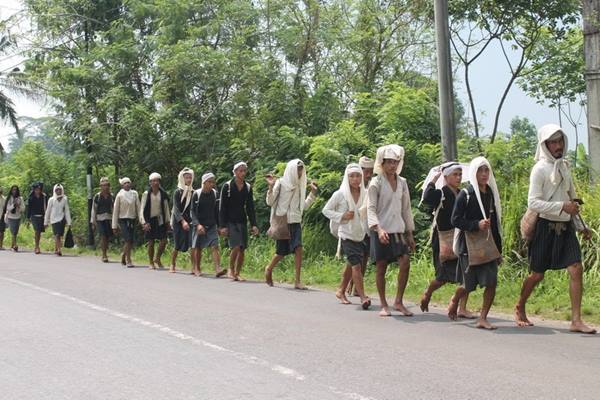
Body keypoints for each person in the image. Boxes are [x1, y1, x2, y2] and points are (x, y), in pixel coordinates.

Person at [515, 124, 596, 334]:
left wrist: (580, 226)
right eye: (553, 142)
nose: (558, 145)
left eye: (560, 141)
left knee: (576, 268)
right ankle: (520, 305)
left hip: (566, 227)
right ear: (545, 145)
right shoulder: (539, 170)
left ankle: (576, 320)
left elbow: (571, 201)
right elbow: (533, 203)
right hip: (544, 227)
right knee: (537, 275)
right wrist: (561, 207)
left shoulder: (564, 167)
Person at [448, 157, 502, 330]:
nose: (484, 174)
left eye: (487, 170)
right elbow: (455, 220)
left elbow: (495, 223)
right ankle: (456, 299)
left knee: (491, 282)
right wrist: (475, 225)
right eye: (480, 170)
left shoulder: (491, 193)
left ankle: (483, 318)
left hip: (488, 246)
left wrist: (498, 250)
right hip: (469, 247)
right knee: (468, 285)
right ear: (474, 173)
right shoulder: (466, 195)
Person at [419, 162, 475, 319]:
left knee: (467, 274)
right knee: (443, 277)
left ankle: (462, 308)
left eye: (460, 174)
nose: (458, 177)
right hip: (443, 239)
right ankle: (428, 292)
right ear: (446, 177)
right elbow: (427, 197)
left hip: (460, 238)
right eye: (454, 175)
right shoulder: (441, 193)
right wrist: (434, 179)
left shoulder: (462, 193)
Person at [367, 145, 416, 317]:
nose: (392, 166)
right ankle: (383, 303)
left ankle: (399, 301)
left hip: (398, 230)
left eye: (395, 162)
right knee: (381, 266)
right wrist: (379, 229)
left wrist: (409, 233)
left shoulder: (402, 183)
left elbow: (406, 209)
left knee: (405, 261)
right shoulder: (376, 183)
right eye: (389, 162)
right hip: (380, 229)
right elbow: (371, 209)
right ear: (382, 163)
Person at [322, 163, 371, 309]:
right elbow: (326, 210)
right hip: (346, 234)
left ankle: (341, 290)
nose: (355, 179)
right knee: (356, 266)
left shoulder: (365, 193)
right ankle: (363, 297)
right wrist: (342, 215)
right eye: (352, 176)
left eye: (358, 176)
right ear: (347, 178)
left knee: (351, 264)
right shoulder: (340, 194)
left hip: (360, 234)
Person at [265, 159, 318, 290]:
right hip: (283, 222)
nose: (299, 173)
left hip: (296, 222)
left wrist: (312, 193)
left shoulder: (301, 185)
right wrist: (271, 187)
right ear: (291, 170)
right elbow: (270, 202)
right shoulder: (281, 183)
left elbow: (303, 206)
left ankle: (297, 280)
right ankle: (268, 268)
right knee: (281, 252)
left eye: (301, 170)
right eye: (297, 170)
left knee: (299, 249)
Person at [218, 162, 259, 281]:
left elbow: (250, 207)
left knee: (242, 248)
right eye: (240, 171)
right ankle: (230, 270)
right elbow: (222, 207)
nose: (242, 173)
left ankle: (237, 272)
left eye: (244, 171)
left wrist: (254, 224)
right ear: (235, 172)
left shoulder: (247, 187)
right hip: (230, 221)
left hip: (242, 220)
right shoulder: (227, 186)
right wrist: (222, 226)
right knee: (235, 246)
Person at [346, 156, 375, 297]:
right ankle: (348, 286)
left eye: (371, 172)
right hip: (352, 228)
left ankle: (356, 287)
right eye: (366, 171)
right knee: (354, 259)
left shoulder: (371, 186)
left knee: (364, 257)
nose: (368, 175)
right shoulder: (350, 187)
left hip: (367, 227)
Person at [191, 172, 226, 277]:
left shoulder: (215, 194)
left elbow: (217, 211)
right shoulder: (197, 194)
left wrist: (220, 226)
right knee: (198, 247)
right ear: (204, 182)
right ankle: (197, 268)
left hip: (211, 225)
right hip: (199, 224)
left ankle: (217, 268)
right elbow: (192, 211)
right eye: (209, 182)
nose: (212, 184)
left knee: (215, 245)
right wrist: (197, 225)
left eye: (213, 182)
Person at [139, 173, 171, 269]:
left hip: (160, 219)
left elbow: (166, 209)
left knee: (164, 240)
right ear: (150, 183)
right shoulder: (146, 194)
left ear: (159, 182)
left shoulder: (163, 194)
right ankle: (150, 262)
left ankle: (157, 258)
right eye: (153, 181)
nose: (155, 183)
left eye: (157, 180)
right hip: (149, 219)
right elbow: (142, 209)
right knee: (151, 241)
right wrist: (144, 222)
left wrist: (168, 222)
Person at [112, 177, 140, 268]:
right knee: (127, 239)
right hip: (123, 220)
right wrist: (114, 225)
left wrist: (141, 220)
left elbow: (138, 208)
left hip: (132, 219)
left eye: (128, 183)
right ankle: (129, 260)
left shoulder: (134, 194)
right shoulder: (119, 195)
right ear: (122, 185)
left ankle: (123, 254)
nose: (127, 184)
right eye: (125, 183)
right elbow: (115, 211)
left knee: (130, 241)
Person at [171, 167, 194, 273]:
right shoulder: (177, 192)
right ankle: (172, 264)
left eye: (190, 178)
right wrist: (182, 221)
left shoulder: (193, 192)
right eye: (186, 178)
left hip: (190, 221)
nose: (188, 180)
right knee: (177, 244)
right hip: (178, 221)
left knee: (191, 244)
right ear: (182, 178)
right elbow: (176, 209)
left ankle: (194, 267)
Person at [44, 184, 72, 257]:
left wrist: (69, 222)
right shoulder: (51, 200)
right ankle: (59, 249)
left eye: (60, 189)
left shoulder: (65, 199)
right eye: (57, 190)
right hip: (54, 220)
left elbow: (67, 211)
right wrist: (46, 222)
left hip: (61, 219)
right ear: (54, 191)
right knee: (57, 234)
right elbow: (48, 211)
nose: (58, 191)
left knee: (60, 235)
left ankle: (56, 248)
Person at [91, 177, 114, 263]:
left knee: (107, 237)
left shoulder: (111, 196)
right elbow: (94, 209)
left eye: (106, 185)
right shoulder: (97, 196)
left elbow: (114, 208)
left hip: (109, 218)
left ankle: (105, 252)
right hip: (100, 219)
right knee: (103, 235)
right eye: (103, 185)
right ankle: (104, 254)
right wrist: (93, 222)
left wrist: (115, 221)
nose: (105, 187)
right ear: (100, 186)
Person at [27, 182, 48, 254]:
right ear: (34, 190)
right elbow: (29, 208)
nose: (37, 191)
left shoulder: (44, 196)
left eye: (39, 189)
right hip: (34, 216)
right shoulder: (31, 197)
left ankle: (37, 245)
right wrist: (28, 218)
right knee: (37, 231)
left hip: (41, 216)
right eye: (36, 189)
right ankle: (37, 247)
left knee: (39, 232)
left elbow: (46, 207)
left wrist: (47, 218)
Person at [3, 185, 23, 252]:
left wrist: (18, 206)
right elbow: (8, 208)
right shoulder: (8, 198)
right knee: (13, 232)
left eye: (16, 189)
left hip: (18, 217)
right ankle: (15, 245)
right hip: (10, 217)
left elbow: (23, 208)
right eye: (13, 189)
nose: (14, 191)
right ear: (11, 190)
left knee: (15, 232)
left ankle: (12, 245)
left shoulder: (20, 198)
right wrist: (13, 205)